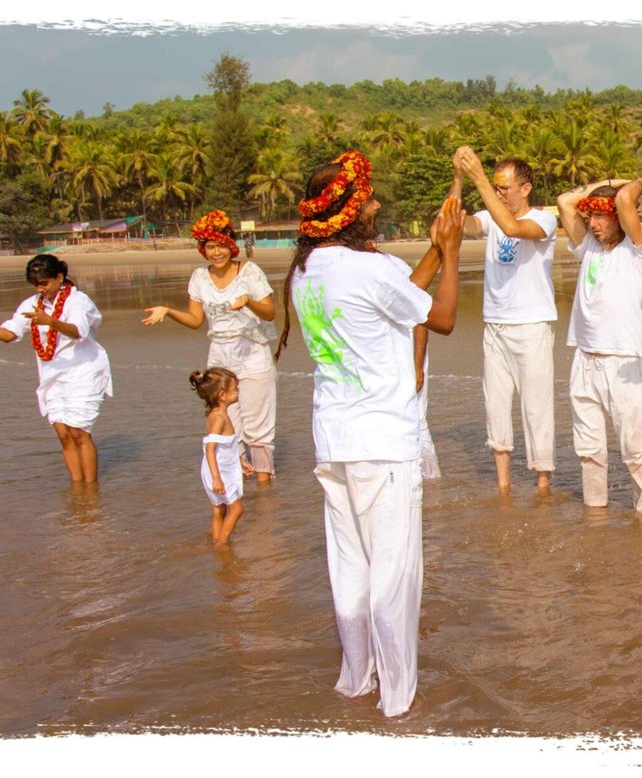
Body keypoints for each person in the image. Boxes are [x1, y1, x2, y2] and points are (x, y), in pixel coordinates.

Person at [276, 149, 463, 717]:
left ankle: (356, 680)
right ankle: (398, 701)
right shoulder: (370, 268)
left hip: (334, 443)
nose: (378, 204)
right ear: (353, 211)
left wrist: (434, 247)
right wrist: (452, 254)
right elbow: (442, 317)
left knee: (350, 570)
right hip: (382, 443)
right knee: (394, 577)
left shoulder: (307, 272)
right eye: (371, 198)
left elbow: (396, 297)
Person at [0, 254, 113, 483]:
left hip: (84, 371)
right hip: (52, 375)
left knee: (79, 432)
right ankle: (77, 491)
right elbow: (8, 335)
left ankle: (91, 492)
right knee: (64, 435)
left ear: (59, 277)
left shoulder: (78, 301)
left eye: (44, 282)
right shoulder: (31, 305)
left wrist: (51, 321)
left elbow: (77, 331)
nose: (40, 288)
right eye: (36, 284)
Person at [450, 146, 559, 494]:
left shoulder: (544, 219)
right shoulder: (489, 215)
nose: (499, 193)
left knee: (536, 407)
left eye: (505, 188)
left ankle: (542, 484)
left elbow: (511, 227)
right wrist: (458, 178)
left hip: (531, 326)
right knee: (495, 406)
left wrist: (479, 176)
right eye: (495, 187)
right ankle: (503, 485)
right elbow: (457, 225)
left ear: (525, 189)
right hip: (494, 325)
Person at [143, 209, 279, 482]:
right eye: (210, 247)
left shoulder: (249, 272)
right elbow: (195, 320)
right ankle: (237, 486)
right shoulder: (199, 277)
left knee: (258, 425)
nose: (217, 252)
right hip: (219, 355)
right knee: (228, 422)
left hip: (252, 352)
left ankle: (265, 490)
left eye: (221, 246)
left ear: (231, 245)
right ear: (202, 249)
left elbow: (270, 312)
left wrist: (248, 301)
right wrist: (168, 311)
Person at [555, 177, 642, 511]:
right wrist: (607, 184)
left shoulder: (638, 248)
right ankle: (595, 517)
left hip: (623, 361)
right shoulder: (589, 247)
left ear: (618, 215)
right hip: (584, 358)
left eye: (602, 216)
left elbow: (627, 200)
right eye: (591, 217)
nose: (594, 224)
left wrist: (636, 182)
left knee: (636, 449)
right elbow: (563, 201)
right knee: (588, 450)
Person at [191, 367, 244, 545]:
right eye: (235, 388)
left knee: (219, 510)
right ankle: (222, 544)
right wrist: (216, 478)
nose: (238, 391)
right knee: (236, 510)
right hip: (218, 472)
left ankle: (216, 540)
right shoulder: (220, 418)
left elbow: (225, 447)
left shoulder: (217, 414)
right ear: (222, 395)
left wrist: (241, 461)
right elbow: (210, 449)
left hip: (217, 469)